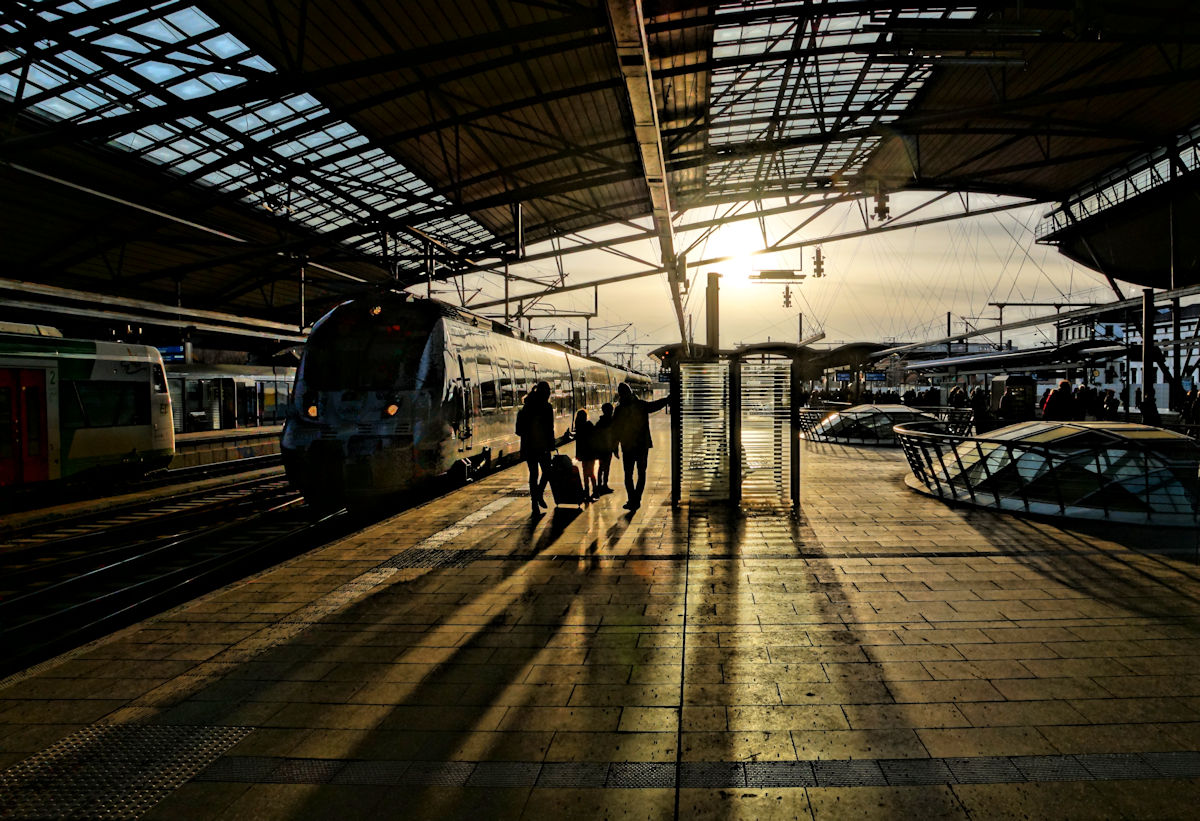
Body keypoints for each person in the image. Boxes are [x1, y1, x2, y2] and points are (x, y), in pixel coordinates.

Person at [611, 382, 671, 511]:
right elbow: (654, 406)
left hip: (628, 446)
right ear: (631, 392)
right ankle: (636, 499)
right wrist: (667, 400)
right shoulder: (640, 405)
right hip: (642, 445)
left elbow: (615, 429)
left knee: (628, 475)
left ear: (620, 394)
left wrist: (615, 446)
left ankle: (633, 499)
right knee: (641, 473)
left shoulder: (619, 409)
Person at [515, 381, 554, 516]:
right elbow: (550, 429)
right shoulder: (547, 408)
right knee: (547, 472)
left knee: (533, 475)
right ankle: (538, 495)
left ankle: (534, 503)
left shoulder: (525, 408)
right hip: (542, 446)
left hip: (529, 447)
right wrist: (551, 445)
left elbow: (518, 431)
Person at [573, 409, 598, 501]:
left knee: (585, 473)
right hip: (591, 453)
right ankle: (594, 491)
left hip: (584, 454)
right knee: (590, 472)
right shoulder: (589, 425)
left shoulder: (579, 427)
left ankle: (587, 492)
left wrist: (578, 454)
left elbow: (578, 443)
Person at [593, 402, 617, 494]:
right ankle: (604, 485)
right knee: (606, 468)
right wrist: (615, 449)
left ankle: (600, 485)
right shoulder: (612, 422)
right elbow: (614, 436)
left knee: (601, 467)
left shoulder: (599, 422)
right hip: (607, 448)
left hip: (600, 448)